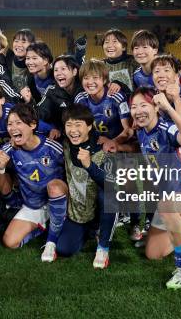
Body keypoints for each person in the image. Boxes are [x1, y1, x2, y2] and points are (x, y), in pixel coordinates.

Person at [130, 87, 181, 289]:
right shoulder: (142, 133)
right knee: (153, 254)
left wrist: (169, 109)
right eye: (134, 107)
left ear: (155, 106)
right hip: (170, 201)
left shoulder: (167, 128)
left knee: (166, 205)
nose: (138, 110)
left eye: (143, 105)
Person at [0, 104, 68, 262]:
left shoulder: (53, 148)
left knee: (54, 187)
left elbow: (71, 174)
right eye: (10, 124)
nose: (13, 128)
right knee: (10, 242)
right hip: (33, 205)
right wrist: (1, 169)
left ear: (33, 125)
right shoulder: (9, 149)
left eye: (18, 123)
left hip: (57, 198)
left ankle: (51, 242)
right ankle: (43, 225)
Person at [55, 104, 117, 269]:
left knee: (109, 194)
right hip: (80, 212)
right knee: (64, 249)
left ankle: (103, 246)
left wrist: (90, 165)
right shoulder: (65, 143)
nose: (73, 130)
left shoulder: (101, 146)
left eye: (78, 125)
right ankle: (89, 231)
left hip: (100, 206)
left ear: (89, 126)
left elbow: (110, 183)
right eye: (69, 125)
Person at [74, 59, 132, 153]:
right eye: (86, 78)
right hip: (96, 145)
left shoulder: (116, 97)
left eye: (95, 77)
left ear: (104, 79)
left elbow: (129, 130)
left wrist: (111, 142)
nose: (90, 82)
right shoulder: (80, 100)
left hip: (119, 145)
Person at [37, 55, 83, 133]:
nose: (58, 73)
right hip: (61, 134)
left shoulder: (84, 89)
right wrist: (51, 129)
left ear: (74, 71)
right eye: (56, 70)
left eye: (63, 69)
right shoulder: (52, 91)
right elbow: (38, 114)